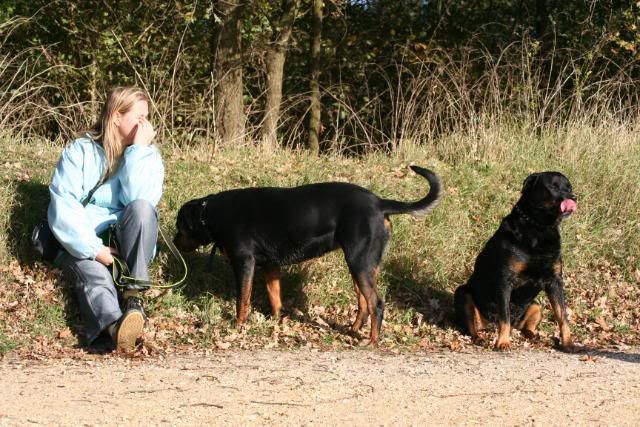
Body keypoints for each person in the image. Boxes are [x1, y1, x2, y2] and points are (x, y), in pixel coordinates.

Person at [48, 86, 164, 352]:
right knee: (93, 276)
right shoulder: (80, 152)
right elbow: (64, 203)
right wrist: (94, 249)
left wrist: (137, 152)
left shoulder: (148, 155)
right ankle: (116, 329)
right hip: (84, 241)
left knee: (142, 208)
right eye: (139, 117)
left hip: (128, 242)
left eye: (147, 117)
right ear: (115, 117)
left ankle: (133, 296)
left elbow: (142, 201)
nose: (145, 124)